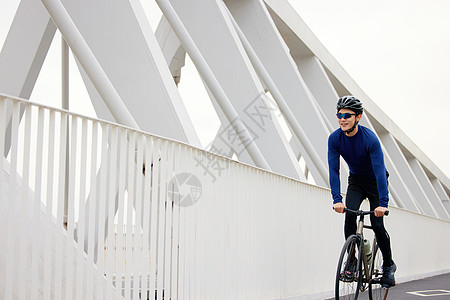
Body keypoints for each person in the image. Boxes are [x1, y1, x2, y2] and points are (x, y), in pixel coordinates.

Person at [328, 95, 396, 287]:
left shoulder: (370, 139)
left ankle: (389, 266)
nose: (342, 119)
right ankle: (352, 260)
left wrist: (383, 204)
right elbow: (334, 170)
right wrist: (336, 199)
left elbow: (380, 173)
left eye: (347, 115)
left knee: (377, 224)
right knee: (349, 216)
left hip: (375, 180)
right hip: (356, 181)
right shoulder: (334, 139)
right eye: (339, 115)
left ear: (358, 117)